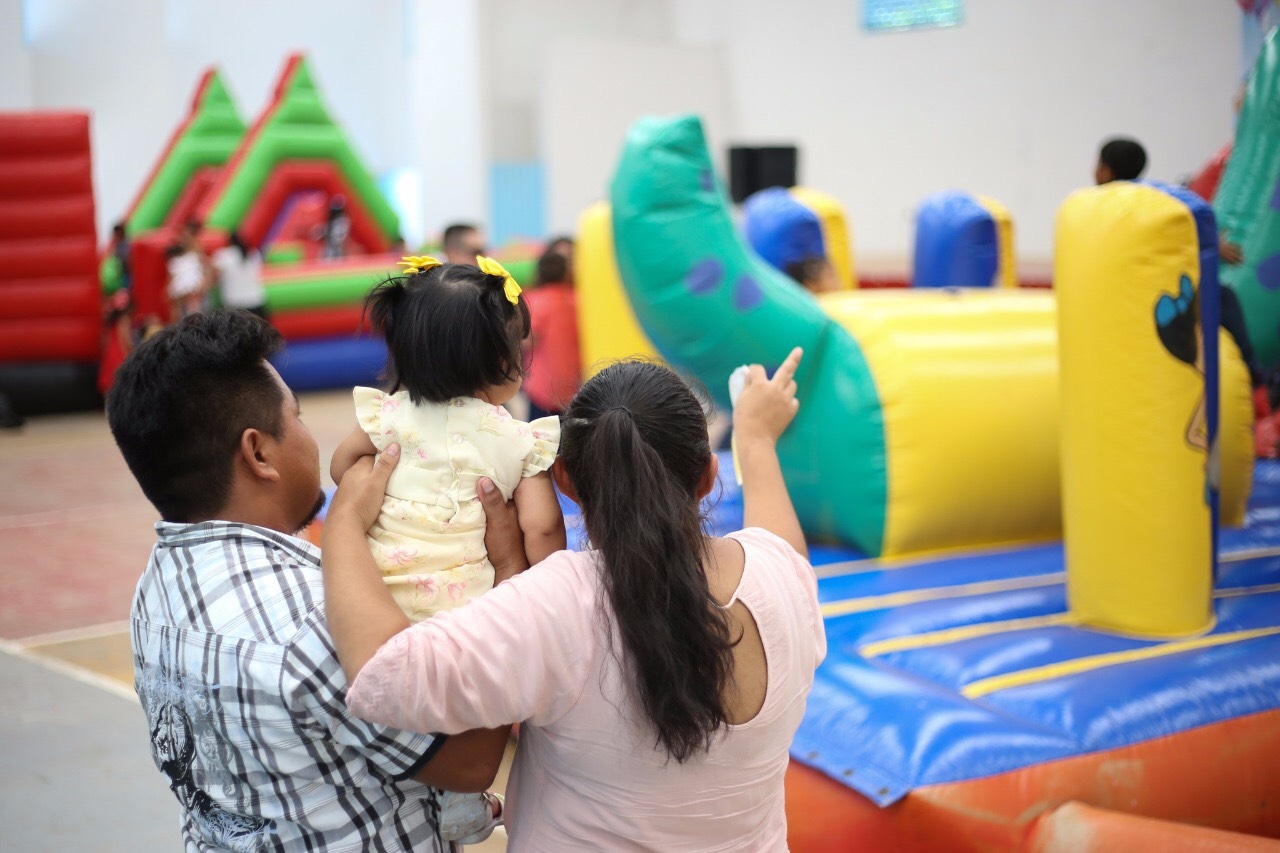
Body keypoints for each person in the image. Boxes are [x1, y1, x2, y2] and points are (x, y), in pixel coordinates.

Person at [323, 348, 826, 851]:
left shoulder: (557, 603)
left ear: (564, 480)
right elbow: (785, 552)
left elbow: (382, 676)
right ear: (707, 478)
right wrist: (756, 438)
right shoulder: (784, 581)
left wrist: (345, 518)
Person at [105, 310, 514, 851]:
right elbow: (468, 761)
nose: (308, 436)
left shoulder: (155, 586)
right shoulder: (314, 620)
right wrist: (508, 576)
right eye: (296, 417)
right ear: (258, 453)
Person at [328, 254, 565, 840]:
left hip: (377, 605)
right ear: (507, 364)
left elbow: (341, 466)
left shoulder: (388, 417)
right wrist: (548, 569)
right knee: (473, 698)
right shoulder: (516, 439)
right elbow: (539, 529)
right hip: (466, 617)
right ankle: (461, 800)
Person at [523, 247, 581, 419]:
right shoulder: (577, 300)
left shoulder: (534, 301)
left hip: (542, 387)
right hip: (573, 386)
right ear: (566, 273)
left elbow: (528, 340)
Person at [212, 231, 268, 319]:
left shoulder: (224, 255)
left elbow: (215, 276)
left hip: (235, 303)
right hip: (256, 300)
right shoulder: (254, 253)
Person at [321, 195, 352, 260]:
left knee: (338, 261)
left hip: (338, 245)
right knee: (328, 261)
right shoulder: (332, 220)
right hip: (330, 245)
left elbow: (343, 233)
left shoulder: (343, 220)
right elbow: (328, 231)